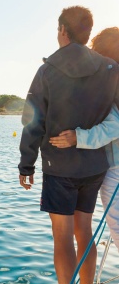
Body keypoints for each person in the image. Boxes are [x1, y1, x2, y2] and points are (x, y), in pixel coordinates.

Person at [18, 6, 119, 284]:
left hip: (59, 167)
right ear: (88, 33)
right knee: (84, 232)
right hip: (96, 165)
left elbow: (32, 120)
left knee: (62, 236)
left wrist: (26, 164)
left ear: (62, 30)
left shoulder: (47, 70)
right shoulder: (111, 69)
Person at [49, 27, 119, 253]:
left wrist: (78, 137)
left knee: (117, 227)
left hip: (115, 164)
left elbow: (114, 125)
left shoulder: (109, 81)